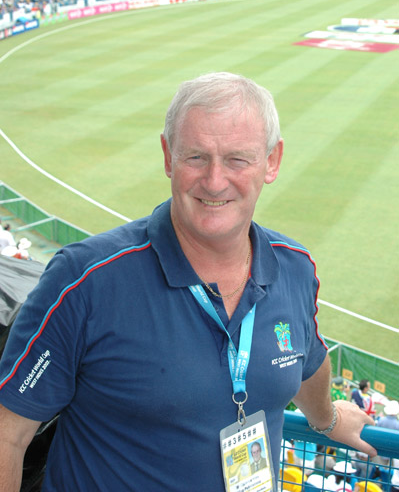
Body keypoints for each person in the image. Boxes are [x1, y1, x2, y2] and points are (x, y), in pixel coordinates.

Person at [0, 72, 376, 492]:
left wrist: (328, 420)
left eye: (238, 159)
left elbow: (305, 362)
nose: (215, 181)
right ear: (168, 155)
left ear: (272, 161)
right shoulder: (84, 280)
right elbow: (8, 432)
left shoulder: (296, 267)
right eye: (196, 156)